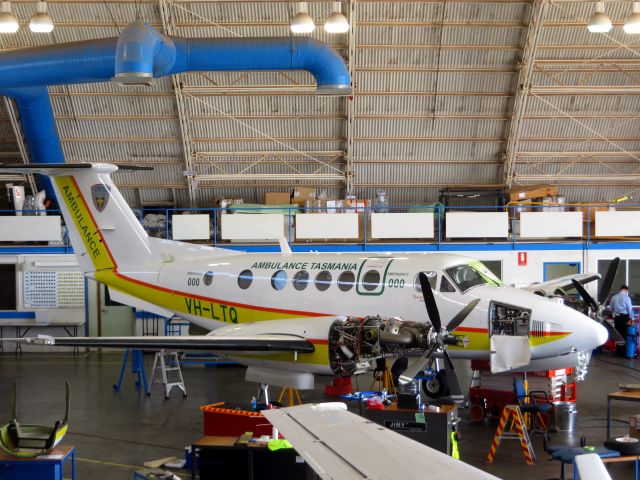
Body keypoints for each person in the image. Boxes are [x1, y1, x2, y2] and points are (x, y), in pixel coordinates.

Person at [609, 285, 635, 355]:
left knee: (618, 334)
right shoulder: (627, 298)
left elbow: (611, 308)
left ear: (620, 289)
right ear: (626, 290)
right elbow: (629, 309)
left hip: (616, 317)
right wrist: (632, 318)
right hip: (624, 317)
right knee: (624, 333)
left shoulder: (614, 297)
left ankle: (618, 351)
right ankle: (624, 352)